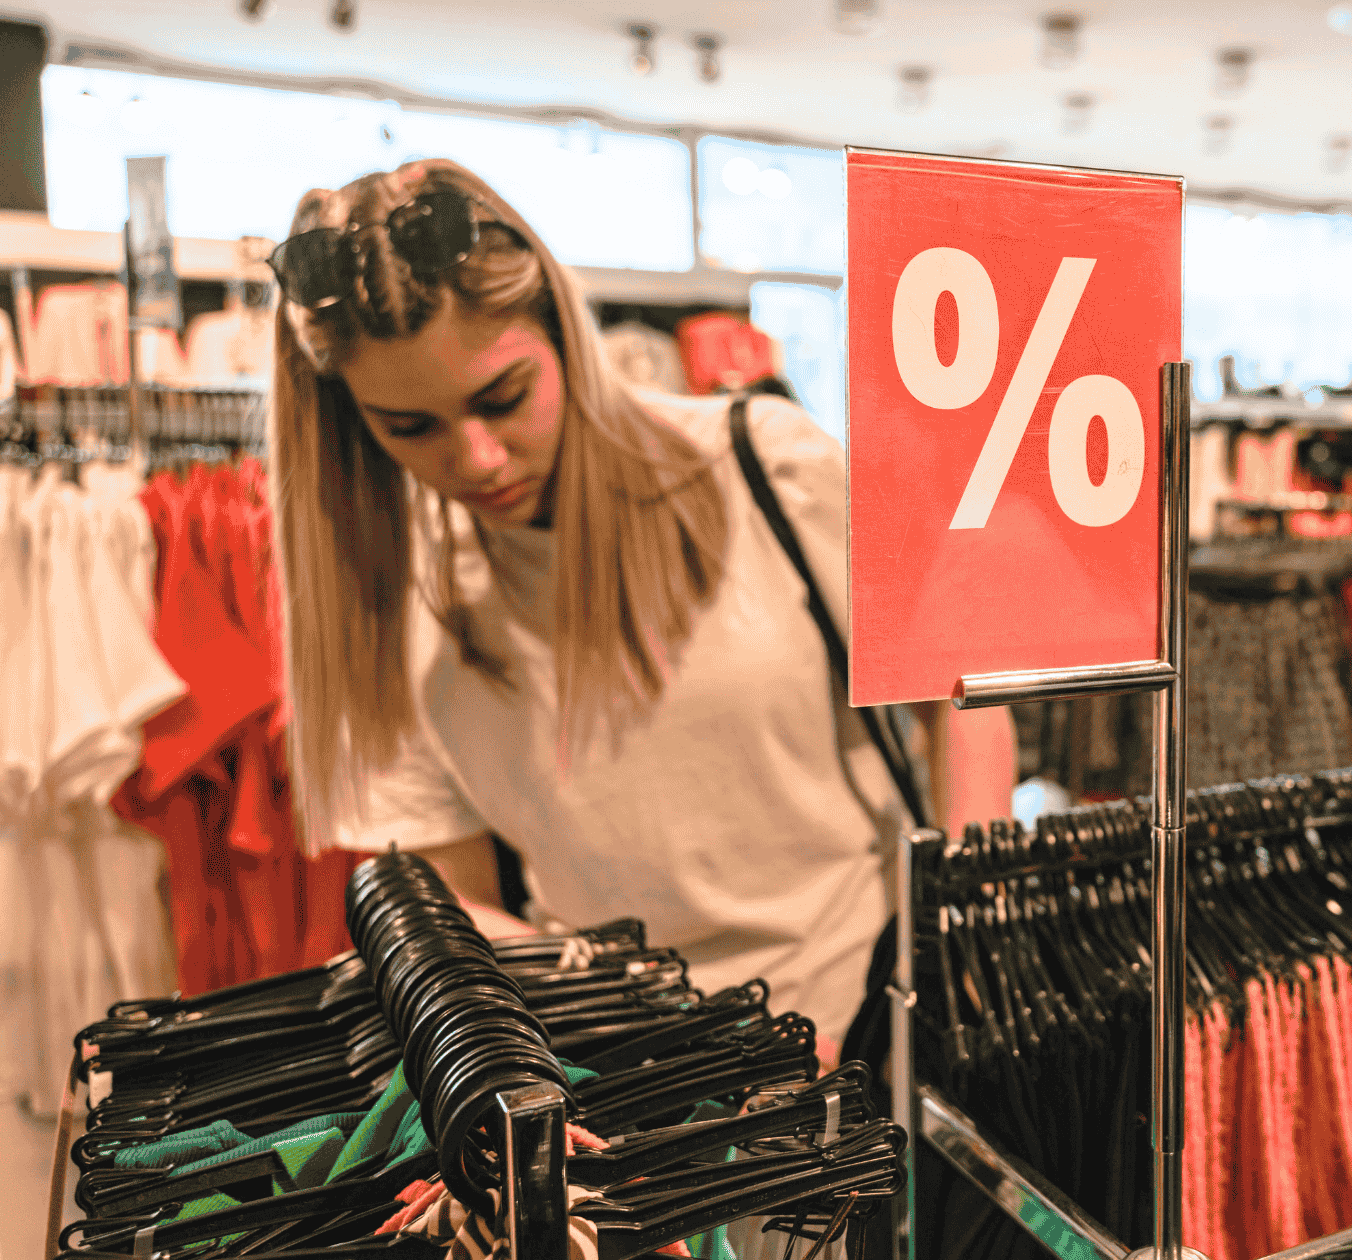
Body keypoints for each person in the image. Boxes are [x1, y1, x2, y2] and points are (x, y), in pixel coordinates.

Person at [269, 159, 1013, 1048]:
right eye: (410, 427)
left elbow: (962, 701)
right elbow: (469, 898)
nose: (476, 460)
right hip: (621, 1075)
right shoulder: (403, 604)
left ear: (565, 341)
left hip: (877, 1019)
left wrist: (971, 932)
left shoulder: (765, 469)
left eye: (503, 399)